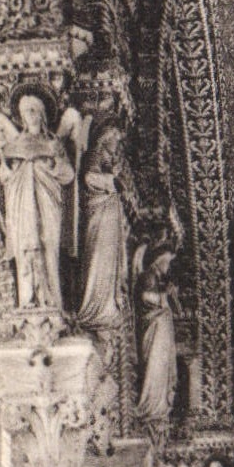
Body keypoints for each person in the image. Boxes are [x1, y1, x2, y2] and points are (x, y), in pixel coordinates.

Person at [0, 90, 75, 309]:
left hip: (48, 203)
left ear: (41, 114)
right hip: (22, 206)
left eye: (33, 110)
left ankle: (52, 300)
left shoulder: (53, 143)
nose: (28, 115)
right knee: (25, 249)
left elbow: (68, 175)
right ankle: (28, 300)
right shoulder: (14, 146)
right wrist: (7, 170)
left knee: (49, 247)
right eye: (24, 111)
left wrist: (54, 163)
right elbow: (5, 177)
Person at [78, 123, 129, 327]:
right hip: (99, 213)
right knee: (100, 257)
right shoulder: (96, 155)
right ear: (106, 138)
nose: (117, 144)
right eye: (115, 138)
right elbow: (89, 177)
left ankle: (108, 305)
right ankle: (97, 307)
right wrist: (111, 181)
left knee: (109, 258)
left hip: (109, 213)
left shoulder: (110, 161)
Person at [136, 245, 179, 423]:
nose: (167, 267)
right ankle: (152, 405)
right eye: (166, 263)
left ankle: (159, 405)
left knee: (162, 365)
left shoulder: (157, 278)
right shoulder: (149, 276)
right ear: (159, 261)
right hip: (154, 330)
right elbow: (145, 297)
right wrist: (164, 295)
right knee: (155, 364)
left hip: (160, 330)